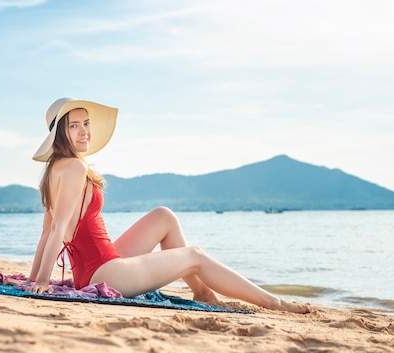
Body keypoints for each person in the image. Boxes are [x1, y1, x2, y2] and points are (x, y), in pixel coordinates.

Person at [27, 97, 309, 313]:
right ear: (60, 134)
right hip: (105, 274)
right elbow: (57, 230)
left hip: (96, 265)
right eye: (73, 126)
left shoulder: (55, 170)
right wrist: (40, 282)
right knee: (194, 255)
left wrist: (32, 277)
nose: (84, 132)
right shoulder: (75, 167)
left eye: (85, 123)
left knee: (164, 216)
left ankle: (203, 293)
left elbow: (46, 233)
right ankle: (274, 302)